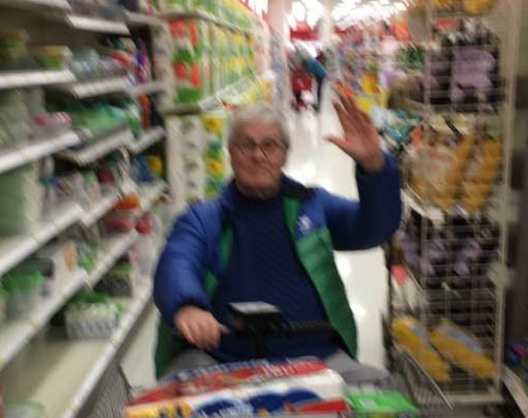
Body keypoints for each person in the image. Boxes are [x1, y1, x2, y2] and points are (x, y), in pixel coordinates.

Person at [153, 98, 401, 381]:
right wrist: (187, 305)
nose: (258, 156)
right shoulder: (203, 218)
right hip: (221, 363)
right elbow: (177, 260)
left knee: (383, 395)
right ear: (231, 152)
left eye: (270, 146)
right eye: (247, 145)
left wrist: (376, 168)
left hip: (315, 358)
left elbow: (374, 229)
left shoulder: (314, 206)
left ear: (285, 154)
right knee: (169, 409)